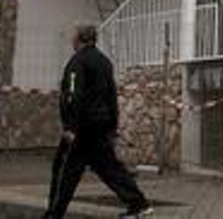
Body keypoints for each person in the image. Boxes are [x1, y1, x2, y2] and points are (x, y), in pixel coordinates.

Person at [46, 24, 152, 219]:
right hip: (102, 125)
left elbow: (72, 94)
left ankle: (54, 214)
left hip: (81, 127)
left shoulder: (77, 62)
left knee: (64, 170)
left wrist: (70, 126)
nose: (71, 39)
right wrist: (112, 125)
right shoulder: (104, 61)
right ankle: (138, 203)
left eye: (73, 35)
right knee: (109, 167)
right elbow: (111, 95)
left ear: (79, 38)